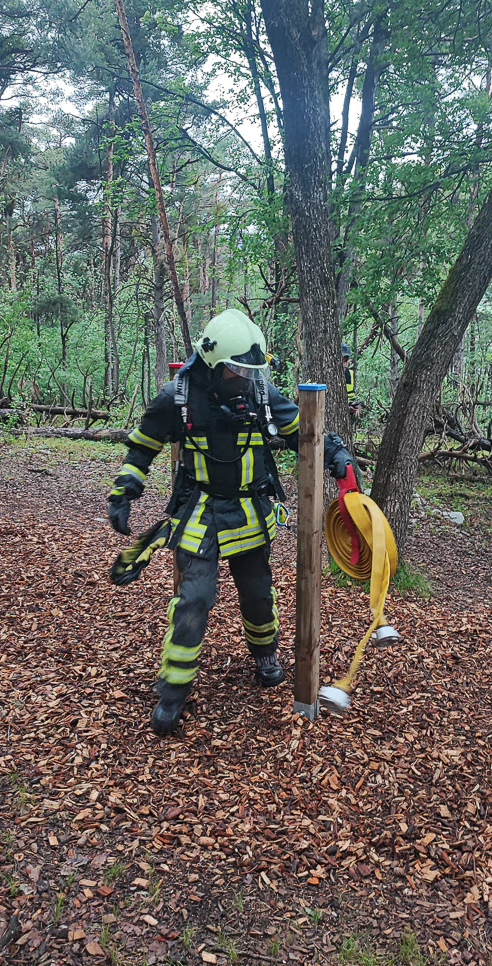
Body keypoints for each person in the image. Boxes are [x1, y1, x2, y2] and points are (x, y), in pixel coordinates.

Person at [108, 309, 358, 736]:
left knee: (258, 593)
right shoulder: (178, 396)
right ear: (212, 362)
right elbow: (143, 446)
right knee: (195, 599)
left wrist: (336, 457)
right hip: (200, 510)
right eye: (235, 368)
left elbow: (306, 430)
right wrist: (124, 492)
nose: (243, 376)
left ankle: (265, 654)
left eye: (249, 369)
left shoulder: (261, 389)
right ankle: (173, 689)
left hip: (248, 511)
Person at [342, 342, 361, 417]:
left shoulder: (350, 374)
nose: (346, 365)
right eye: (344, 360)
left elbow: (351, 397)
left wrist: (353, 405)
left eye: (347, 360)